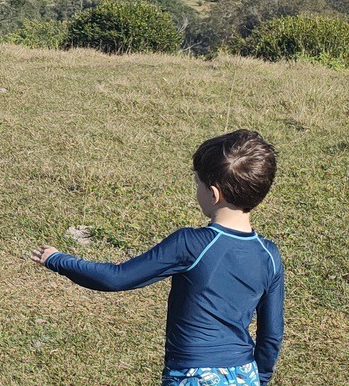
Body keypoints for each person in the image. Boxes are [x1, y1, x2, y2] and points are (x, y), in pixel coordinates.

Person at [31, 130, 283, 386]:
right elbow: (271, 334)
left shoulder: (191, 244)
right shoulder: (270, 255)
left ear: (214, 194)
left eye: (198, 184)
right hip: (245, 374)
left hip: (193, 375)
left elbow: (116, 278)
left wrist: (58, 259)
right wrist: (259, 379)